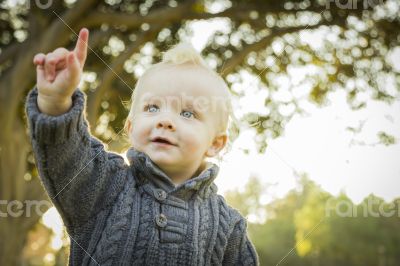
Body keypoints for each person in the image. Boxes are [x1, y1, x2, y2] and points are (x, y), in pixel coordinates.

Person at [26, 28, 259, 265]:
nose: (165, 120)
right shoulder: (104, 184)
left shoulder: (228, 227)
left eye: (188, 113)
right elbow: (68, 154)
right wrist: (55, 102)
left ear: (215, 144)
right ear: (130, 127)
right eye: (152, 108)